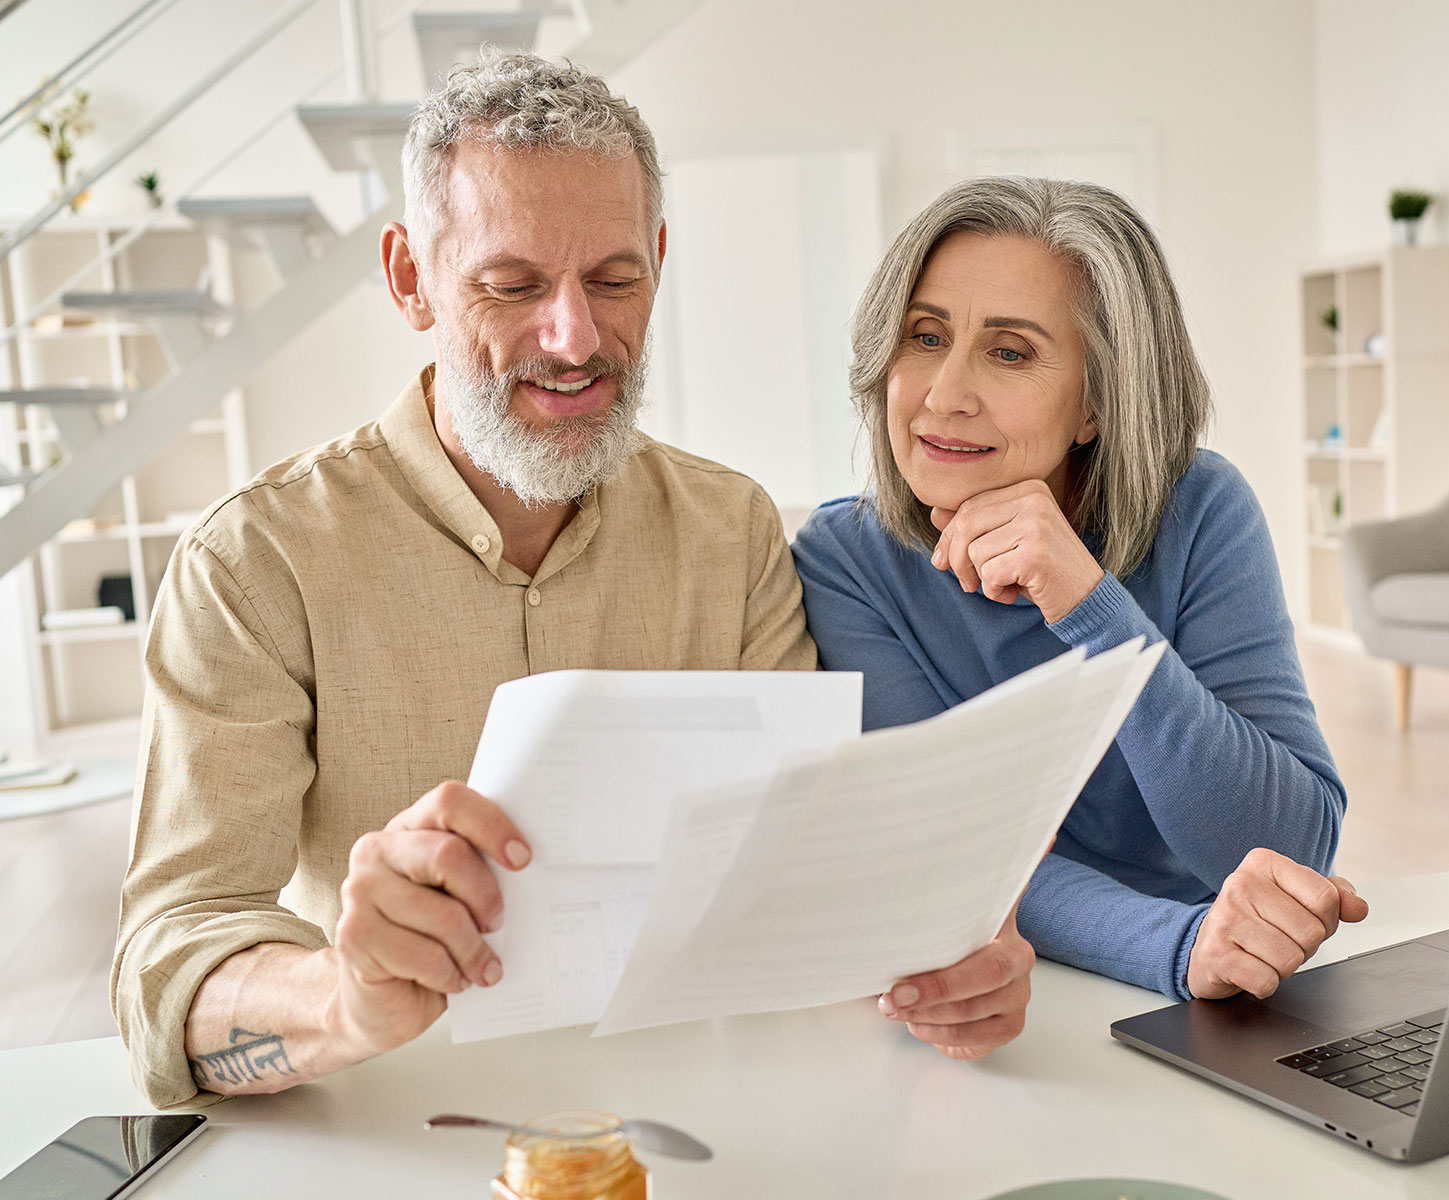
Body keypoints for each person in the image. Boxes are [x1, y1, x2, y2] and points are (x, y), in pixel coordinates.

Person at [112, 54, 1023, 1111]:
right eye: (511, 286)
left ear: (661, 262)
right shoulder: (254, 564)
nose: (576, 338)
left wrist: (942, 951)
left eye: (615, 279)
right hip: (395, 1130)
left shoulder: (730, 533)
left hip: (706, 1121)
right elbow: (169, 960)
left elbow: (806, 869)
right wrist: (341, 998)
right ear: (409, 279)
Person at [793, 177, 1368, 1030]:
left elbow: (1292, 844)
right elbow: (958, 851)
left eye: (1010, 352)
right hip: (1014, 992)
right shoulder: (845, 559)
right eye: (924, 337)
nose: (943, 393)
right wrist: (1179, 945)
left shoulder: (1201, 508)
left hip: (1228, 994)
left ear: (1097, 402)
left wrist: (1093, 606)